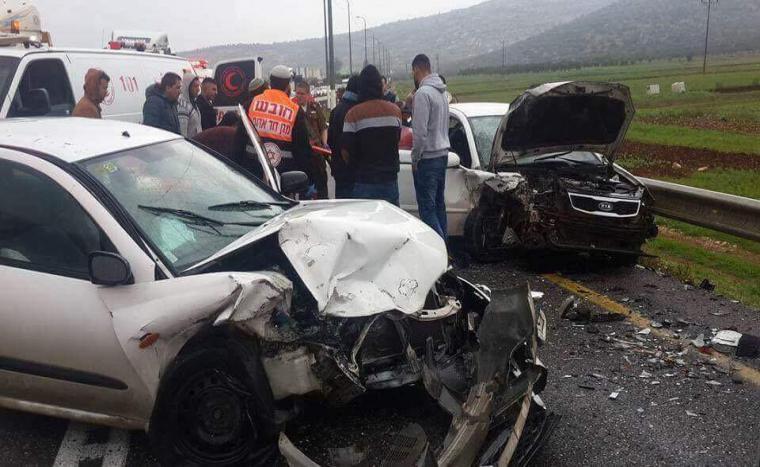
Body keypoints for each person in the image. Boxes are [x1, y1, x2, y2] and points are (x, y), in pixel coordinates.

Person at [342, 65, 402, 206]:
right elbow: (397, 139)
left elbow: (345, 151)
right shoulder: (395, 111)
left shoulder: (353, 114)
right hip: (390, 181)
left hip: (364, 181)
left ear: (361, 87)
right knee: (390, 218)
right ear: (380, 86)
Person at [248, 65, 313, 188]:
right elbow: (302, 149)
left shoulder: (252, 103)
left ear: (270, 82)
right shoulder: (295, 110)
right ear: (288, 85)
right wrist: (308, 179)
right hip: (284, 180)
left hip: (252, 176)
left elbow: (239, 140)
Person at [411, 54, 450, 240]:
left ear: (416, 69)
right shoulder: (441, 93)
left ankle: (438, 250)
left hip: (428, 159)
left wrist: (415, 158)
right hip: (442, 156)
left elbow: (419, 133)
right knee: (439, 206)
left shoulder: (422, 94)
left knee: (427, 209)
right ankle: (445, 248)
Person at [295, 81, 329, 199]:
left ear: (308, 94)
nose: (299, 96)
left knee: (322, 189)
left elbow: (323, 127)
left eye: (302, 93)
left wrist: (324, 144)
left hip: (317, 155)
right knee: (304, 192)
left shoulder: (315, 107)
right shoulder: (293, 109)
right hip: (303, 156)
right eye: (297, 93)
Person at [327, 75, 359, 198]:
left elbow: (330, 140)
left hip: (339, 169)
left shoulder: (336, 111)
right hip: (353, 171)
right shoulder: (357, 111)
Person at [178, 72, 202, 138]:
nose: (198, 89)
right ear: (188, 87)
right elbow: (183, 131)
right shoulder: (183, 105)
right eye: (195, 86)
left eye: (198, 86)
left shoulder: (193, 103)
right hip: (189, 143)